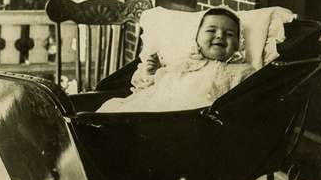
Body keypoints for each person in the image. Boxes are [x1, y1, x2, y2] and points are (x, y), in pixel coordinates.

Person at [97, 7, 255, 113]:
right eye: (211, 30)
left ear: (238, 43)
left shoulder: (241, 71)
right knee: (113, 110)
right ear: (197, 38)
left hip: (190, 120)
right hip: (157, 110)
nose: (220, 35)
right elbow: (152, 89)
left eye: (229, 34)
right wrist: (152, 72)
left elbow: (246, 103)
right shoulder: (183, 63)